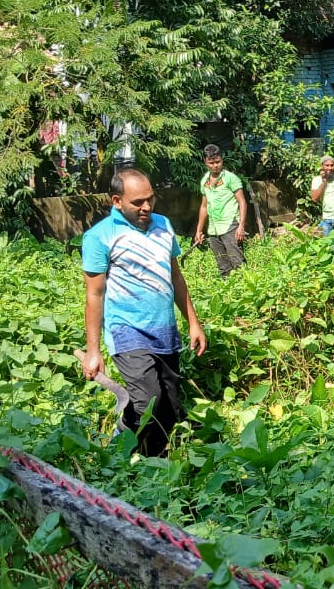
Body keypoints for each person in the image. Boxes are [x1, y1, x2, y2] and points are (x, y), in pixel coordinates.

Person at [82, 168, 206, 457]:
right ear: (116, 201)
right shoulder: (100, 236)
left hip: (164, 329)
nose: (147, 207)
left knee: (169, 409)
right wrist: (93, 350)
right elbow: (94, 294)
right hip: (126, 330)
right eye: (138, 202)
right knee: (148, 400)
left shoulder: (163, 224)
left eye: (150, 199)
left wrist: (193, 324)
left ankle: (157, 466)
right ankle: (122, 443)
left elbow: (176, 277)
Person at [193, 144, 247, 277]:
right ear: (205, 162)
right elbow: (204, 206)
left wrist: (241, 226)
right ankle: (229, 295)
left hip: (230, 226)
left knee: (238, 264)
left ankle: (247, 292)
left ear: (222, 160)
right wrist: (199, 230)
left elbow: (242, 202)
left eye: (218, 162)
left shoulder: (230, 178)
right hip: (213, 229)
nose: (215, 165)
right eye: (211, 163)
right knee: (223, 267)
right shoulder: (205, 181)